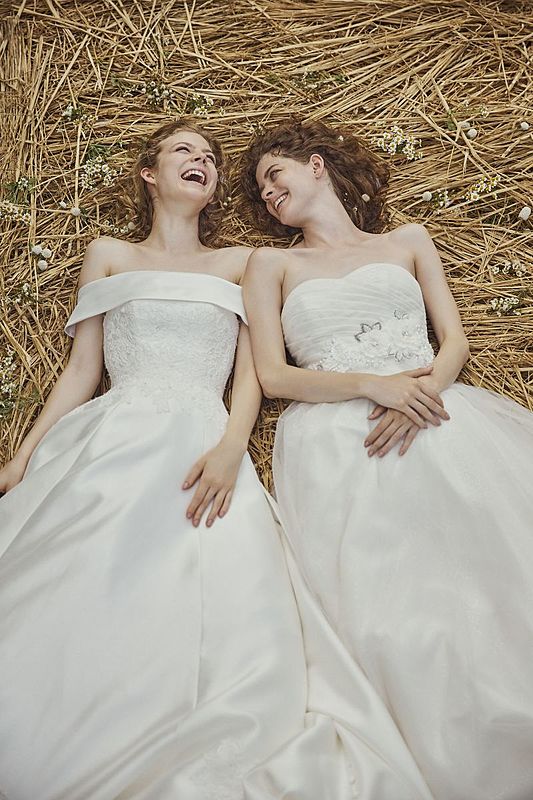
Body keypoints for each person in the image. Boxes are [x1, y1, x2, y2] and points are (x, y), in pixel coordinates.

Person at [0, 119, 433, 800]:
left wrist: (232, 447)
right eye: (184, 150)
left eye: (209, 155)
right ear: (149, 174)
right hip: (113, 432)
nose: (200, 159)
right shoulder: (108, 254)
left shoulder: (239, 263)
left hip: (204, 438)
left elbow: (252, 375)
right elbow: (82, 372)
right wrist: (22, 458)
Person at [241, 118, 533, 800]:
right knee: (392, 601)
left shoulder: (408, 241)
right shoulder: (270, 265)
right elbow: (274, 376)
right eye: (260, 191)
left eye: (274, 175)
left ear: (315, 165)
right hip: (337, 436)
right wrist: (373, 387)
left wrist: (418, 394)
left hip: (439, 413)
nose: (269, 194)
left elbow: (453, 339)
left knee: (493, 564)